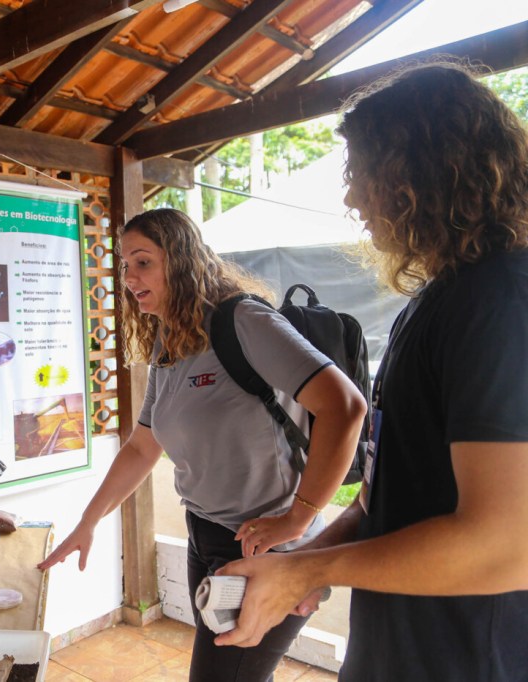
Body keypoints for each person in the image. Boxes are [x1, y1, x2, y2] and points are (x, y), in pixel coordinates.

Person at [214, 60, 528, 681]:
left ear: (421, 175)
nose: (354, 198)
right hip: (400, 651)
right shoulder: (440, 299)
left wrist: (310, 570)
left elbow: (505, 545)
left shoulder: (501, 301)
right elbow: (391, 497)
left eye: (362, 173)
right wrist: (307, 558)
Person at [38, 207, 366, 681]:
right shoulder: (169, 340)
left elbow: (346, 407)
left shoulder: (243, 320)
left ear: (182, 259)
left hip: (265, 548)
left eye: (143, 261)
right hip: (206, 536)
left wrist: (298, 517)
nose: (129, 276)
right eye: (124, 264)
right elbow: (141, 448)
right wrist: (88, 523)